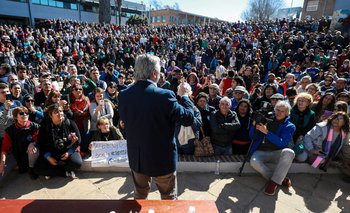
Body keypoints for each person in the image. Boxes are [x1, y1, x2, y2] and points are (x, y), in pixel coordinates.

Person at [118, 54, 194, 200]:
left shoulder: (124, 94)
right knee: (168, 199)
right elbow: (188, 119)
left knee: (139, 196)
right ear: (154, 73)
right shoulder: (165, 95)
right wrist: (184, 96)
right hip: (162, 160)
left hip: (137, 158)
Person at [249, 100, 296, 196]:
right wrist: (254, 126)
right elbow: (251, 137)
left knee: (289, 152)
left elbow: (282, 143)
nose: (279, 113)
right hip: (261, 151)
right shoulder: (267, 119)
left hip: (277, 152)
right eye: (277, 110)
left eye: (282, 111)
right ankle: (279, 179)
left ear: (287, 113)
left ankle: (273, 184)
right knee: (253, 161)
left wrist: (266, 132)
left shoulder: (290, 126)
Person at [33, 104, 82, 179]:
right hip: (52, 151)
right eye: (56, 112)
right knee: (38, 169)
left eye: (61, 111)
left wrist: (69, 152)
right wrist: (48, 156)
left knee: (77, 163)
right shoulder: (45, 126)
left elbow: (78, 140)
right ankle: (65, 172)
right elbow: (41, 143)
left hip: (67, 149)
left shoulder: (70, 123)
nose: (60, 114)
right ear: (50, 115)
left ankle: (53, 172)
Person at [0, 106, 40, 179]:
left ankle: (31, 168)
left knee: (34, 151)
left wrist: (33, 143)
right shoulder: (10, 131)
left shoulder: (35, 126)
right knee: (2, 171)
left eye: (27, 113)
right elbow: (5, 149)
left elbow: (40, 140)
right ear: (15, 117)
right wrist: (2, 163)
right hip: (16, 155)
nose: (25, 115)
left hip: (31, 154)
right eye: (21, 113)